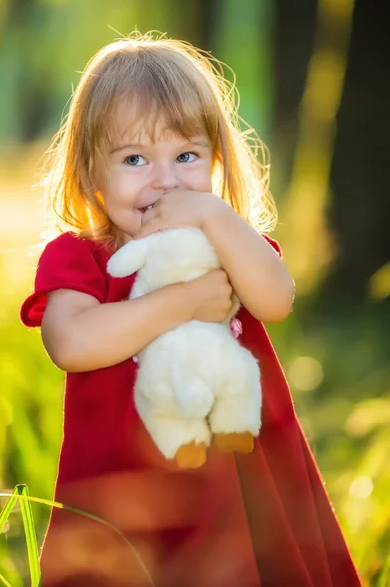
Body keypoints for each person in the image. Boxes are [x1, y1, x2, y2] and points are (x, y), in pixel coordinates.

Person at [21, 33, 361, 587]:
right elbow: (72, 344)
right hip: (124, 489)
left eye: (186, 156)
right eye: (134, 158)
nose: (165, 180)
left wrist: (217, 219)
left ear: (215, 161)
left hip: (239, 484)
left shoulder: (228, 244)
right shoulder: (81, 257)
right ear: (90, 174)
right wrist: (185, 301)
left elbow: (276, 299)